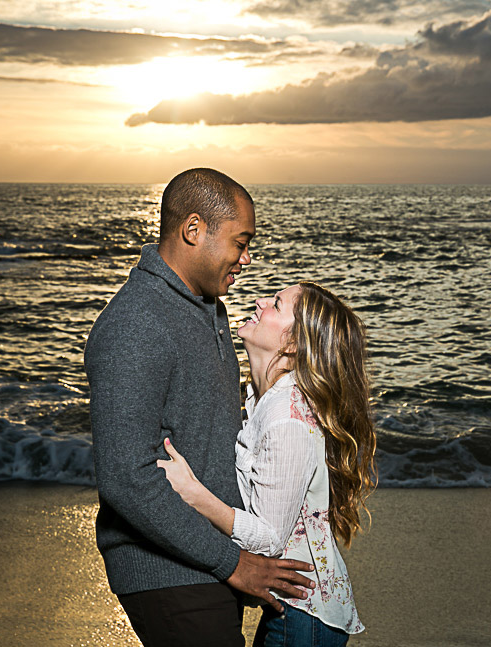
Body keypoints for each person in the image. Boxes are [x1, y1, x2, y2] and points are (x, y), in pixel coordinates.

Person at [84, 168, 315, 647]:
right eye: (240, 242)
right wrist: (233, 563)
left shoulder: (208, 305)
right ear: (194, 230)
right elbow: (128, 478)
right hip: (167, 571)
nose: (247, 259)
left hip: (208, 557)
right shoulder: (135, 323)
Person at [157, 282, 377, 646]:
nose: (259, 301)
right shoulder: (265, 398)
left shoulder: (286, 418)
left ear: (293, 344)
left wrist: (194, 493)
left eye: (275, 304)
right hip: (292, 608)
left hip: (305, 614)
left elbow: (270, 540)